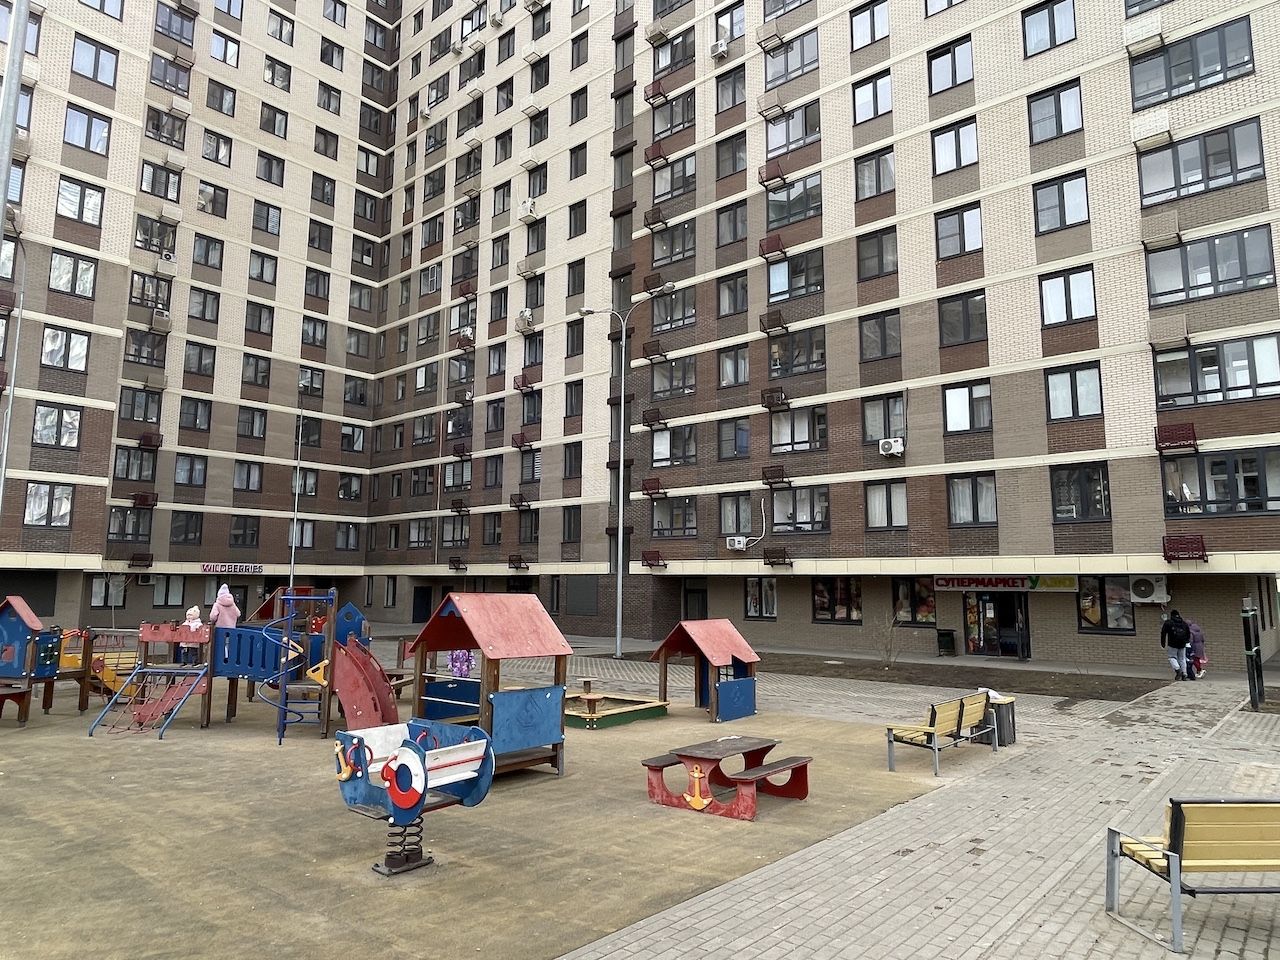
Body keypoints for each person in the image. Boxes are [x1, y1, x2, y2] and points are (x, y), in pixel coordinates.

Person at [1161, 609, 1193, 681]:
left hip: (1172, 644)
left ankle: (1178, 669)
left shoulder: (1168, 623)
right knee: (1182, 659)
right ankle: (1184, 674)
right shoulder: (1184, 623)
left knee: (1172, 657)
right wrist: (1186, 642)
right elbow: (1188, 633)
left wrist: (1163, 643)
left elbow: (1163, 633)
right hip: (1182, 644)